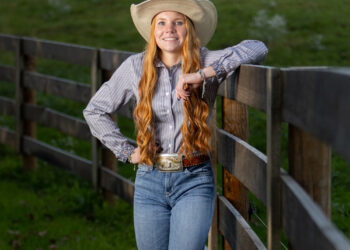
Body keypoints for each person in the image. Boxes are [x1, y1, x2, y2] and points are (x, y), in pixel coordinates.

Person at [83, 0, 268, 249]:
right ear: (153, 30)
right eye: (162, 22)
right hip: (150, 180)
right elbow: (95, 110)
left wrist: (201, 74)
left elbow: (257, 48)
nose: (169, 29)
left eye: (178, 22)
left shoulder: (205, 60)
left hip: (194, 178)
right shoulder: (135, 67)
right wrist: (127, 152)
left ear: (189, 29)